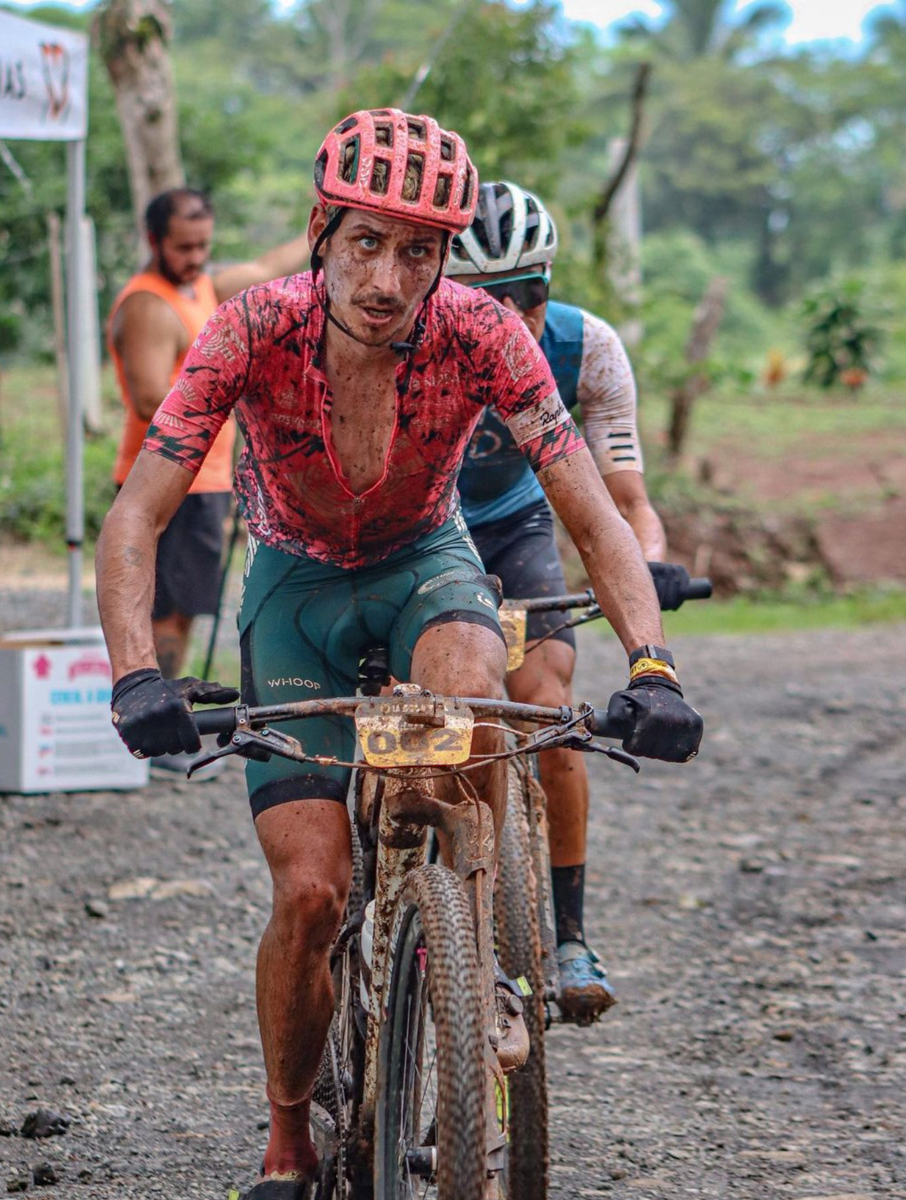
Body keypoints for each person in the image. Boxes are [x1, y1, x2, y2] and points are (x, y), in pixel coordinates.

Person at [96, 109, 703, 1199]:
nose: (387, 275)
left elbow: (592, 510)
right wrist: (137, 670)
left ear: (444, 258)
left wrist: (650, 664)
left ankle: (468, 955)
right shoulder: (248, 328)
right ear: (321, 232)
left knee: (470, 694)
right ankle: (289, 1130)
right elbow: (137, 513)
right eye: (365, 241)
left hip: (428, 560)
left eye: (417, 249)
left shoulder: (479, 330)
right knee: (312, 893)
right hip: (293, 586)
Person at [447, 180, 692, 1026]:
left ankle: (569, 934)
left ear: (546, 292)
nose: (508, 320)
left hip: (516, 531)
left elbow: (622, 499)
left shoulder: (586, 347)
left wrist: (648, 565)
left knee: (547, 708)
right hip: (422, 531)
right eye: (485, 301)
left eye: (527, 297)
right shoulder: (407, 343)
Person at [107, 187, 307, 774]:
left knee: (188, 605)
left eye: (202, 246)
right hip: (165, 480)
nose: (196, 257)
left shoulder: (201, 286)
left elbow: (270, 268)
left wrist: (328, 228)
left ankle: (172, 718)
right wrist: (233, 386)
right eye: (183, 247)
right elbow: (149, 397)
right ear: (153, 242)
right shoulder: (149, 305)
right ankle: (160, 728)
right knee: (165, 609)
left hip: (208, 481)